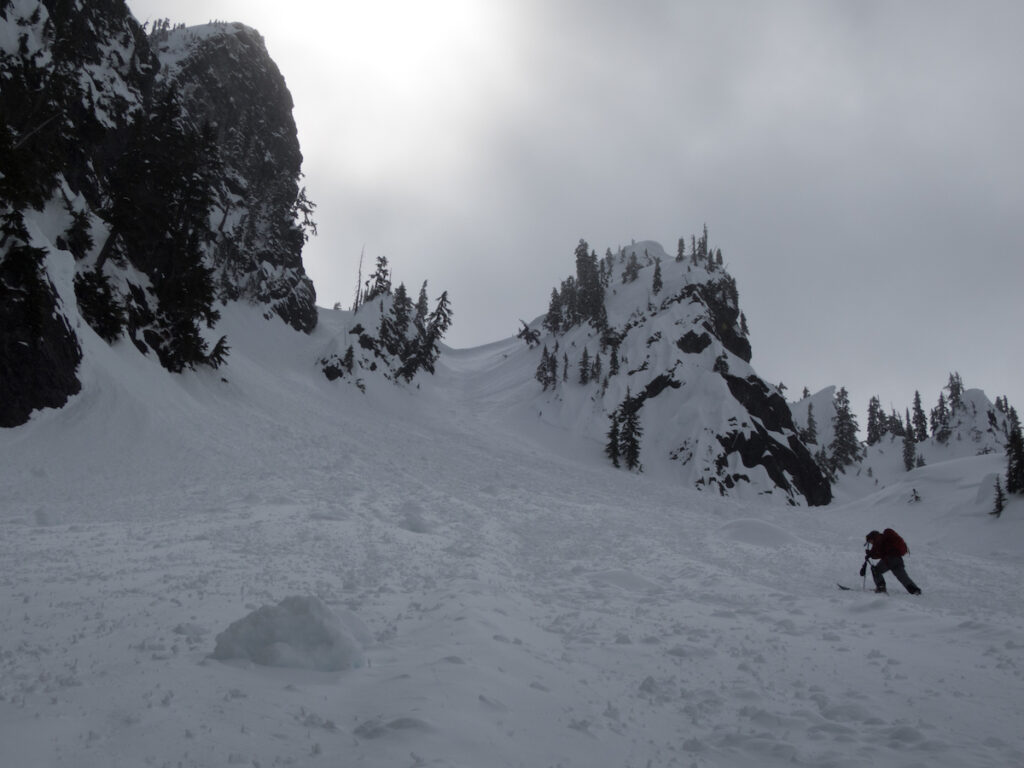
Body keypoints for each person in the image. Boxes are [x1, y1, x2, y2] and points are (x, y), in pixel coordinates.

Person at [861, 529, 922, 595]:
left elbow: (879, 552)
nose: (871, 543)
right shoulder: (883, 539)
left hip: (890, 560)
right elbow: (880, 552)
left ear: (872, 538)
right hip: (898, 559)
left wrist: (870, 554)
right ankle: (915, 590)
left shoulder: (878, 540)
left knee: (876, 570)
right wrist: (870, 554)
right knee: (903, 577)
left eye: (870, 541)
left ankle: (881, 588)